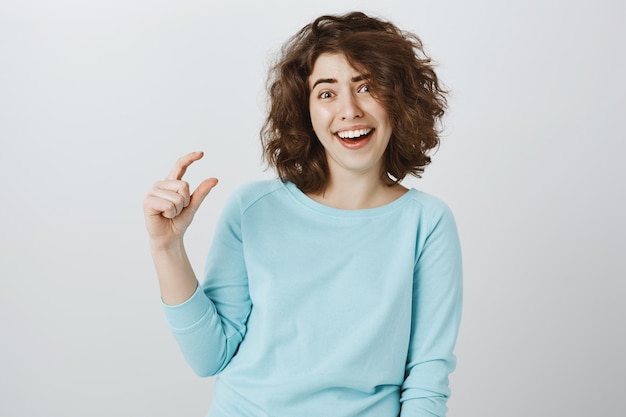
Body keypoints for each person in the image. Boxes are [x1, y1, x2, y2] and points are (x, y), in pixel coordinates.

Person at [143, 11, 462, 417]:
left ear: (399, 100)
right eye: (326, 93)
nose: (349, 110)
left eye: (367, 87)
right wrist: (166, 247)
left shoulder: (426, 223)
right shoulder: (252, 209)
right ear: (305, 110)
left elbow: (426, 381)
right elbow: (210, 357)